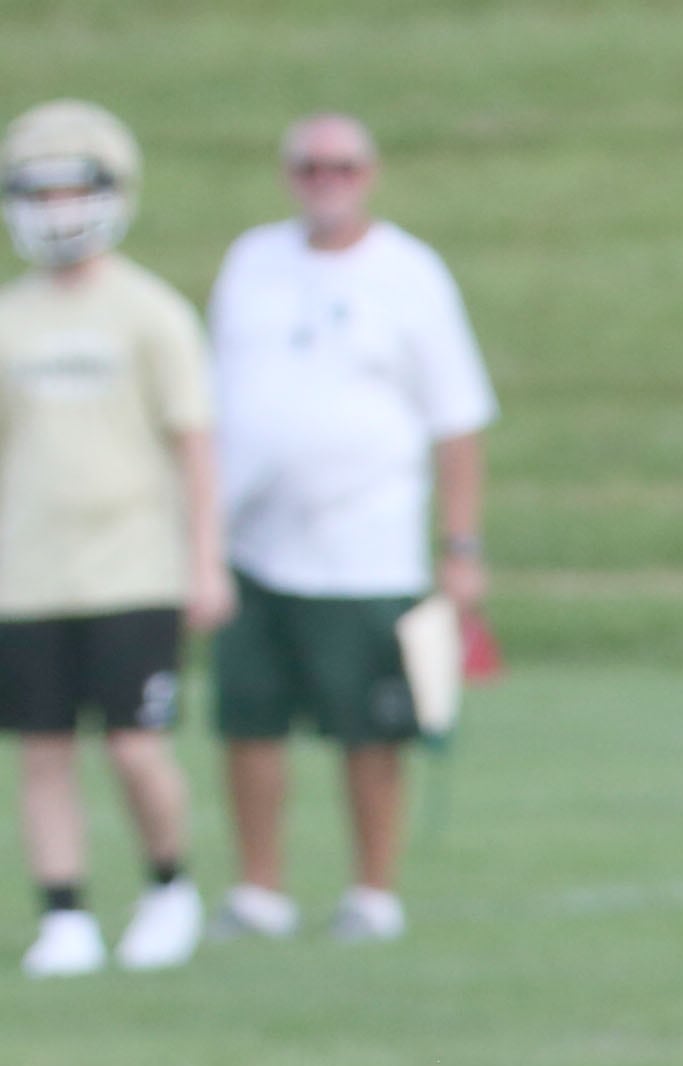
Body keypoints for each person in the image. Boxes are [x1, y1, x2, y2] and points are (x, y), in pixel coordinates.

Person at [206, 112, 494, 944]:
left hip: (365, 547)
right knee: (249, 720)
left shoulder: (408, 275)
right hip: (252, 538)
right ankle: (260, 889)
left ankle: (372, 890)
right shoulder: (252, 262)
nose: (325, 180)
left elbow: (457, 418)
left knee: (369, 726)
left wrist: (461, 545)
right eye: (309, 166)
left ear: (368, 173)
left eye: (341, 166)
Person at [0, 101, 230, 978]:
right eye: (40, 193)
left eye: (73, 190)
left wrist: (204, 559)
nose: (58, 210)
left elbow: (195, 446)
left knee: (135, 747)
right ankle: (64, 915)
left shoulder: (149, 313)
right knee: (44, 751)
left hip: (133, 569)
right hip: (28, 575)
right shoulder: (10, 318)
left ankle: (169, 886)